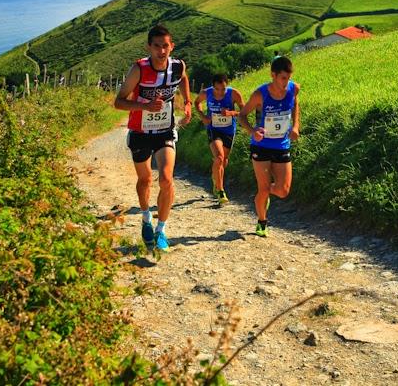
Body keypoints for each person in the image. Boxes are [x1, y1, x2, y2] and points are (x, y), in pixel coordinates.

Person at [114, 24, 192, 251]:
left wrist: (186, 103)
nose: (161, 51)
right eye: (156, 46)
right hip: (140, 132)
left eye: (165, 46)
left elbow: (184, 79)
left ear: (172, 46)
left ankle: (161, 230)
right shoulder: (139, 69)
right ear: (149, 47)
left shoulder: (178, 67)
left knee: (167, 179)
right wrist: (146, 106)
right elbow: (119, 101)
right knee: (146, 180)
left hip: (165, 131)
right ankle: (146, 217)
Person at [238, 56, 300, 237]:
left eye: (288, 78)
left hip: (281, 145)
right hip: (261, 146)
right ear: (273, 75)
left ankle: (264, 193)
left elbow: (296, 104)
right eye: (282, 78)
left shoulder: (293, 89)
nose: (285, 83)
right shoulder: (260, 94)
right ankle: (262, 221)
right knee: (263, 188)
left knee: (283, 190)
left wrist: (295, 126)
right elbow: (242, 115)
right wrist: (252, 131)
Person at [194, 74, 244, 206]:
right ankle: (221, 191)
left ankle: (215, 176)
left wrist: (231, 113)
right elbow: (197, 102)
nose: (220, 92)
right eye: (217, 89)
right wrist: (203, 116)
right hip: (213, 128)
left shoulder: (234, 94)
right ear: (213, 86)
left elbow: (244, 111)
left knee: (224, 161)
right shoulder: (206, 93)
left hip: (228, 130)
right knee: (219, 157)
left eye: (223, 89)